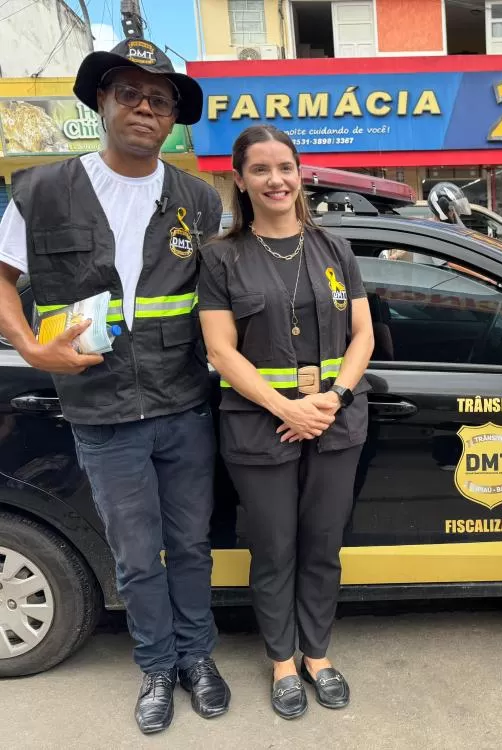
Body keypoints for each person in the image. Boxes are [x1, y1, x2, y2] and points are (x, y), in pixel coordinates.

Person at [0, 39, 228, 734]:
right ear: (101, 101)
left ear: (171, 121)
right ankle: (157, 666)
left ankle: (199, 659)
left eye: (159, 101)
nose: (145, 109)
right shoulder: (42, 191)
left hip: (184, 405)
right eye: (129, 93)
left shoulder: (195, 200)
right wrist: (33, 347)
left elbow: (218, 299)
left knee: (190, 546)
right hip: (100, 413)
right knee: (134, 555)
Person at [198, 124, 374, 720]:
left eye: (285, 168)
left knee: (323, 545)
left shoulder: (334, 250)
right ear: (240, 182)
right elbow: (221, 351)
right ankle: (281, 661)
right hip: (260, 426)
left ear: (300, 175)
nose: (276, 179)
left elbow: (363, 334)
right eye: (261, 170)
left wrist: (336, 399)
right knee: (274, 548)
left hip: (333, 424)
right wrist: (288, 408)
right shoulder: (221, 258)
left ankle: (317, 655)